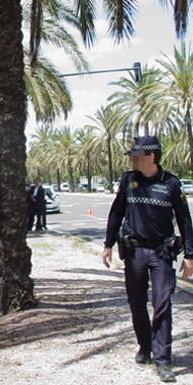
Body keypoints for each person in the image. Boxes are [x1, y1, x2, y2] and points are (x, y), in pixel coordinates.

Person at [102, 136, 193, 383]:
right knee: (136, 302)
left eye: (136, 155)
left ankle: (164, 361)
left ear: (151, 156)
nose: (132, 159)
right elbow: (116, 213)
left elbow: (185, 220)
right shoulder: (128, 180)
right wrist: (108, 244)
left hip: (162, 254)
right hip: (135, 253)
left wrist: (190, 254)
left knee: (162, 304)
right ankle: (145, 347)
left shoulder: (171, 184)